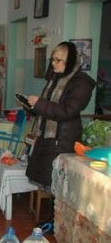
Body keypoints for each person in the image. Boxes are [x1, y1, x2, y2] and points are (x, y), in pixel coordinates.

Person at [25, 41, 95, 191]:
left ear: (69, 62)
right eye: (52, 59)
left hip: (62, 139)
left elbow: (68, 111)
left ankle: (56, 214)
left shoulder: (82, 82)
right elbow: (48, 106)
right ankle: (53, 212)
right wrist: (32, 106)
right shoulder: (55, 78)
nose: (53, 63)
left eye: (58, 60)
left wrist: (40, 104)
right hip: (48, 137)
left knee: (57, 182)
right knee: (47, 180)